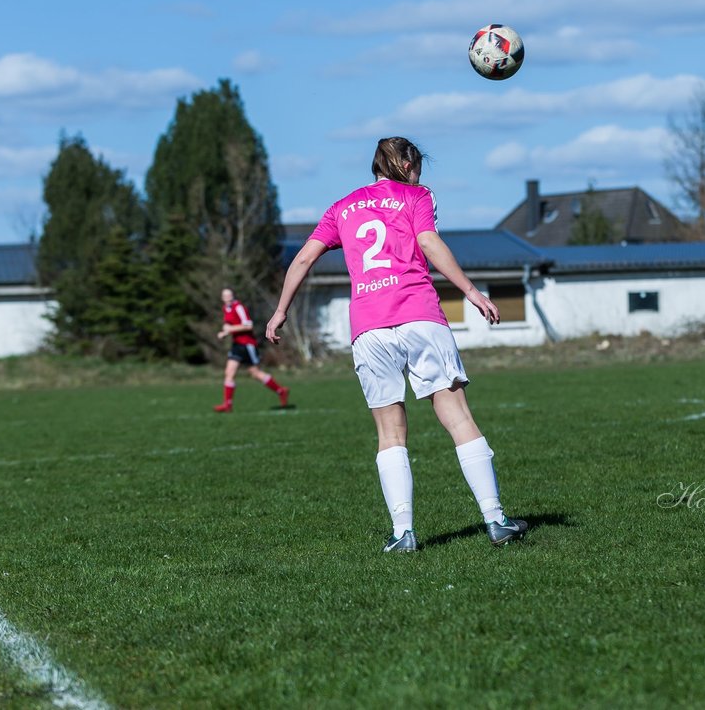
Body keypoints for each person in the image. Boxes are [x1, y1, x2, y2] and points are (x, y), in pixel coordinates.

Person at [265, 137, 528, 552]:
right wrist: (472, 292)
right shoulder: (415, 195)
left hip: (369, 328)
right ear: (407, 165)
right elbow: (427, 242)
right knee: (458, 418)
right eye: (418, 167)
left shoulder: (341, 207)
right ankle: (496, 520)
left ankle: (403, 534)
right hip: (419, 315)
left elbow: (302, 259)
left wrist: (281, 311)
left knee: (390, 433)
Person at [214, 287, 289, 413]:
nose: (227, 298)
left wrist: (229, 330)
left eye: (229, 295)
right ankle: (228, 405)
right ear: (222, 298)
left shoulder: (238, 307)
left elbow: (248, 325)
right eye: (225, 296)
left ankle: (281, 391)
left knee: (255, 373)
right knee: (229, 373)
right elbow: (229, 325)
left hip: (247, 345)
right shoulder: (226, 309)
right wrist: (225, 331)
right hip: (236, 345)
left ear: (233, 296)